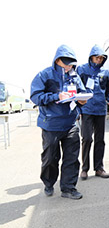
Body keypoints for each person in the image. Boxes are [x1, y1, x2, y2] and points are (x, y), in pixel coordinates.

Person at [30, 44, 86, 199]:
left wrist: (82, 99)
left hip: (70, 123)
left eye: (71, 63)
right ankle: (48, 184)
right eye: (65, 63)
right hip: (51, 124)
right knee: (50, 158)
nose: (68, 66)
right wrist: (56, 96)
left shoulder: (75, 76)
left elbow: (82, 92)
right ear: (57, 60)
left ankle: (68, 188)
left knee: (72, 158)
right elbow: (35, 97)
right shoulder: (44, 75)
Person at [77, 45, 109, 180]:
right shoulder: (81, 70)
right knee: (86, 139)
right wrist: (77, 107)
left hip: (100, 109)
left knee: (100, 140)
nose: (99, 60)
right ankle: (84, 168)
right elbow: (76, 88)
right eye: (97, 57)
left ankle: (99, 168)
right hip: (86, 109)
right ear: (91, 57)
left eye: (101, 58)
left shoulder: (105, 72)